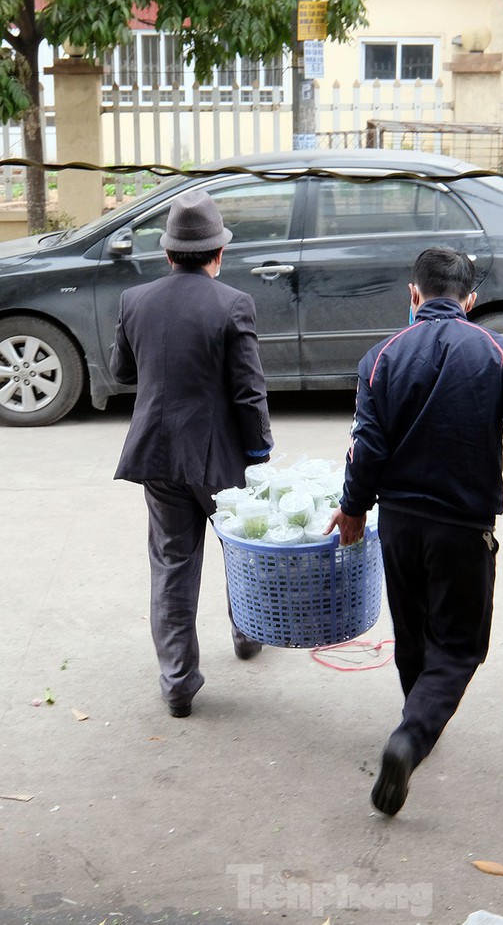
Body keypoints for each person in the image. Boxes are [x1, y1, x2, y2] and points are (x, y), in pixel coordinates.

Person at [325, 247, 503, 815]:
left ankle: (413, 725)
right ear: (469, 301)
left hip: (399, 526)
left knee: (412, 634)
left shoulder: (382, 357)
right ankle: (412, 737)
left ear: (413, 296)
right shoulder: (500, 354)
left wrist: (354, 511)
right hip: (463, 529)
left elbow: (367, 447)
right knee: (458, 647)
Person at [110, 189, 273, 718]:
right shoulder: (233, 303)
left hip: (158, 453)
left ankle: (178, 682)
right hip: (219, 457)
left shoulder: (135, 301)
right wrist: (259, 448)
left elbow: (122, 375)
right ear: (218, 254)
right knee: (240, 551)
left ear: (168, 252)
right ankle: (247, 636)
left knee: (173, 562)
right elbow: (249, 391)